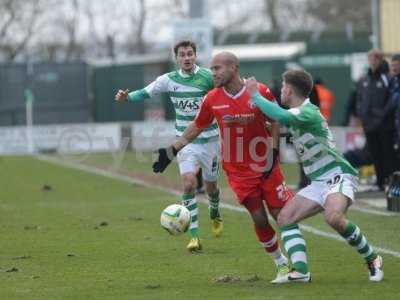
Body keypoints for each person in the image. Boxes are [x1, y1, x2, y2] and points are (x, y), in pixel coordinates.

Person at [152, 51, 298, 282]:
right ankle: (281, 265)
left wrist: (273, 151)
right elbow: (197, 126)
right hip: (238, 170)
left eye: (217, 68)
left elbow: (275, 119)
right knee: (259, 218)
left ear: (233, 68)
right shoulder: (212, 98)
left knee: (282, 214)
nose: (213, 73)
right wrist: (172, 150)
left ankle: (300, 268)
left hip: (266, 164)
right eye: (211, 69)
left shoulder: (258, 91)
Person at [246, 69, 384, 283]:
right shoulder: (298, 114)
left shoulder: (307, 111)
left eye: (283, 87)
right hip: (318, 182)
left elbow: (281, 116)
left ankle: (373, 258)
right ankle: (300, 271)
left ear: (289, 90)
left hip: (338, 175)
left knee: (333, 217)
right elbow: (283, 123)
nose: (281, 90)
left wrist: (254, 95)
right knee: (285, 218)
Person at [115, 40, 222, 252]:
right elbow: (147, 92)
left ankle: (215, 210)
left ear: (195, 55)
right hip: (185, 142)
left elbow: (227, 90)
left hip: (211, 140)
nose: (187, 58)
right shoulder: (169, 80)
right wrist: (127, 98)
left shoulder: (208, 78)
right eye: (182, 55)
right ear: (177, 59)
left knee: (211, 187)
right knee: (189, 184)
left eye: (190, 54)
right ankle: (194, 237)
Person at [356, 49, 396, 190]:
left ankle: (390, 181)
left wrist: (382, 114)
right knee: (375, 154)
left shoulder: (387, 78)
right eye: (370, 58)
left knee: (388, 153)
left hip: (385, 124)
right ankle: (379, 182)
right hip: (369, 125)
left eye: (374, 58)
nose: (372, 61)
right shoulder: (364, 79)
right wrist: (362, 116)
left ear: (379, 60)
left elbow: (392, 100)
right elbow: (360, 99)